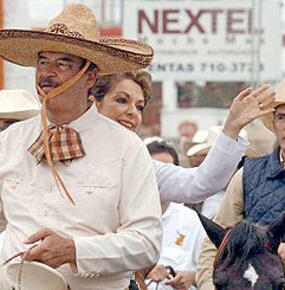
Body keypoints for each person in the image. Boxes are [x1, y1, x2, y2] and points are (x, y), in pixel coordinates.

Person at [0, 4, 162, 290]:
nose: (47, 73)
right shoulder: (12, 139)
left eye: (63, 64)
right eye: (43, 62)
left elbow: (147, 243)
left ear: (90, 77)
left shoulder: (127, 148)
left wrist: (74, 251)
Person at [90, 70, 275, 203]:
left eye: (139, 107)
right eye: (121, 100)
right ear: (94, 104)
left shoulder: (141, 168)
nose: (133, 112)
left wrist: (232, 126)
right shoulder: (65, 151)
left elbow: (200, 184)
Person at [196, 80, 285, 290]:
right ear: (274, 123)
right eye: (282, 117)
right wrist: (211, 287)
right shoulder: (247, 175)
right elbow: (215, 245)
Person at [145, 140, 205, 290]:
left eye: (167, 172)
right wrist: (143, 272)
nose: (160, 178)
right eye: (154, 171)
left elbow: (210, 269)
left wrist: (192, 277)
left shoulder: (193, 221)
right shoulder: (122, 218)